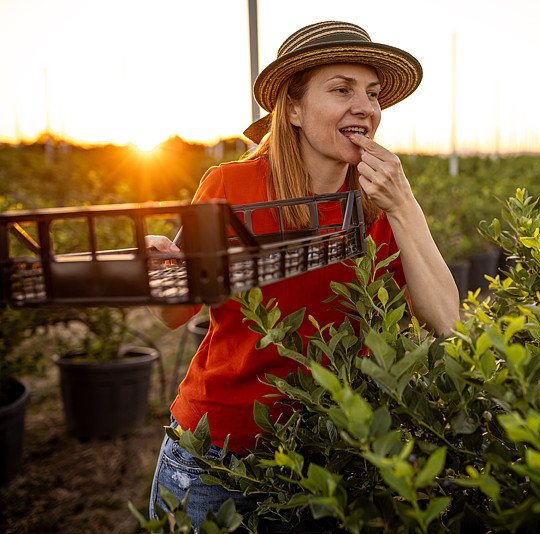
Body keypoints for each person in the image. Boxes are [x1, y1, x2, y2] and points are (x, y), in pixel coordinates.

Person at [146, 20, 460, 529]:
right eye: (341, 89)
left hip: (332, 454)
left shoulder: (377, 205)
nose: (366, 107)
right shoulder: (231, 185)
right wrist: (161, 271)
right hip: (217, 458)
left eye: (373, 93)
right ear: (292, 109)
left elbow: (445, 321)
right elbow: (173, 314)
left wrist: (404, 205)